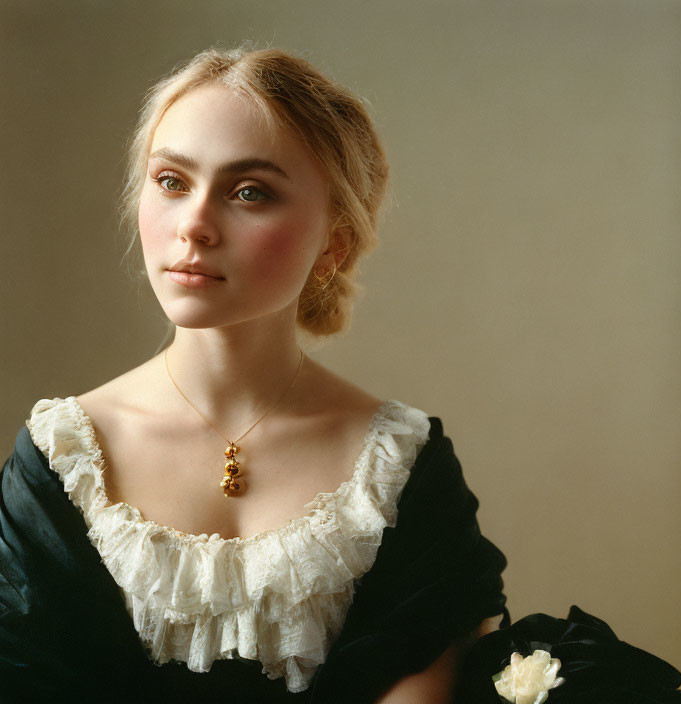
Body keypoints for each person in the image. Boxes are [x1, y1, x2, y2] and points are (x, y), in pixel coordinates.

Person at [0, 46, 507, 703]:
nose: (194, 226)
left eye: (249, 192)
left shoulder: (403, 468)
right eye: (172, 181)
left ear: (334, 244)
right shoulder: (60, 458)